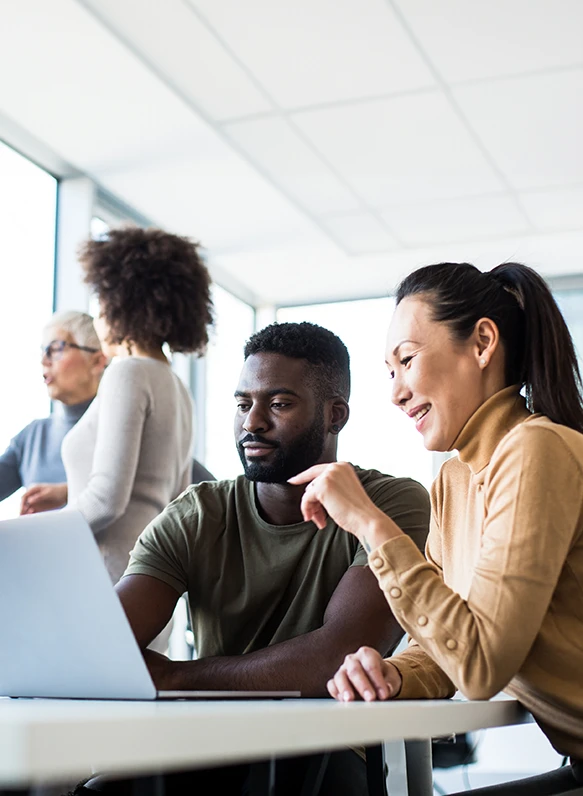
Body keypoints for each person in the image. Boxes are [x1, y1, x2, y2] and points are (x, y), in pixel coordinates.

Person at [92, 321, 430, 796]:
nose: (252, 422)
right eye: (243, 404)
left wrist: (174, 676)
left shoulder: (391, 503)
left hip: (333, 748)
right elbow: (108, 651)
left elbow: (339, 655)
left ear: (335, 415)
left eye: (279, 403)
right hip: (216, 744)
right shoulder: (198, 512)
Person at [296, 262, 583, 791]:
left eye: (407, 359)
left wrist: (367, 520)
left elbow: (478, 665)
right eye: (390, 371)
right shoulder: (453, 481)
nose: (396, 392)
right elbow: (443, 646)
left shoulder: (534, 448)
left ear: (482, 343)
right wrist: (395, 672)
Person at [23, 226, 213, 586]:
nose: (97, 318)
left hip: (102, 579)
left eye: (101, 304)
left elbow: (107, 500)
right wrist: (67, 492)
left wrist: (32, 537)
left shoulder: (127, 373)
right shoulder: (176, 386)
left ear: (121, 303)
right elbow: (164, 495)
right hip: (149, 581)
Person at [0, 311, 105, 509]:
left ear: (97, 361)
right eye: (43, 351)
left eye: (56, 349)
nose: (44, 360)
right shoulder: (32, 437)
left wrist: (67, 493)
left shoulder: (119, 427)